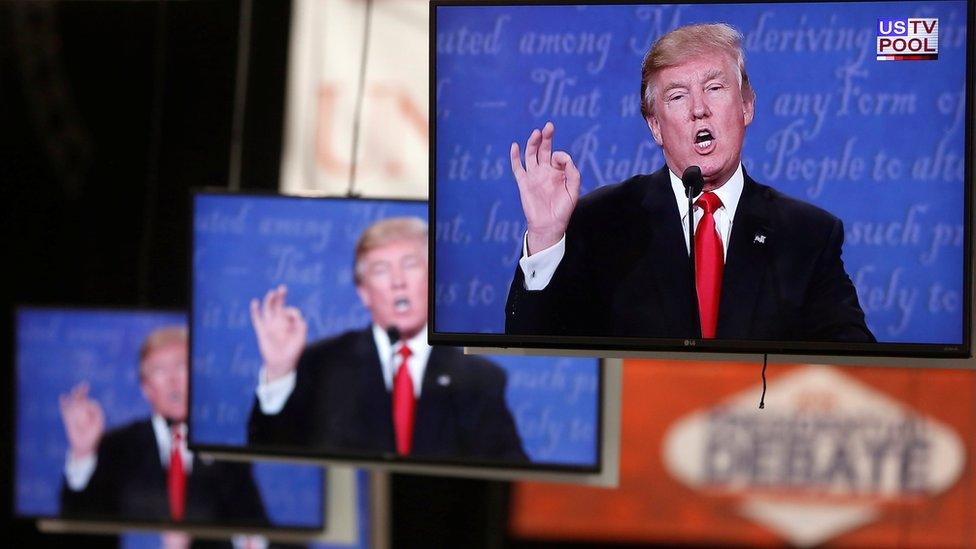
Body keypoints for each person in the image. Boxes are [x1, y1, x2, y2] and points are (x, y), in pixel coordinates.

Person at [505, 23, 874, 342]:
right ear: (655, 126)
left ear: (747, 106)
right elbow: (532, 346)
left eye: (714, 88)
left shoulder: (807, 235)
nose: (699, 108)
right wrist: (546, 238)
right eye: (678, 96)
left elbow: (854, 360)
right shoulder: (602, 221)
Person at [247, 217, 528, 461]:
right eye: (381, 270)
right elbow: (271, 458)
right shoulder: (321, 365)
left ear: (432, 279)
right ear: (364, 292)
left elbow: (510, 472)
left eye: (410, 265)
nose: (398, 281)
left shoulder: (478, 380)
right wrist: (280, 372)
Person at [59, 326, 268, 527]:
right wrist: (83, 453)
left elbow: (256, 527)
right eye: (159, 370)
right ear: (146, 388)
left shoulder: (224, 448)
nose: (172, 380)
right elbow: (80, 527)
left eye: (181, 366)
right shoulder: (117, 447)